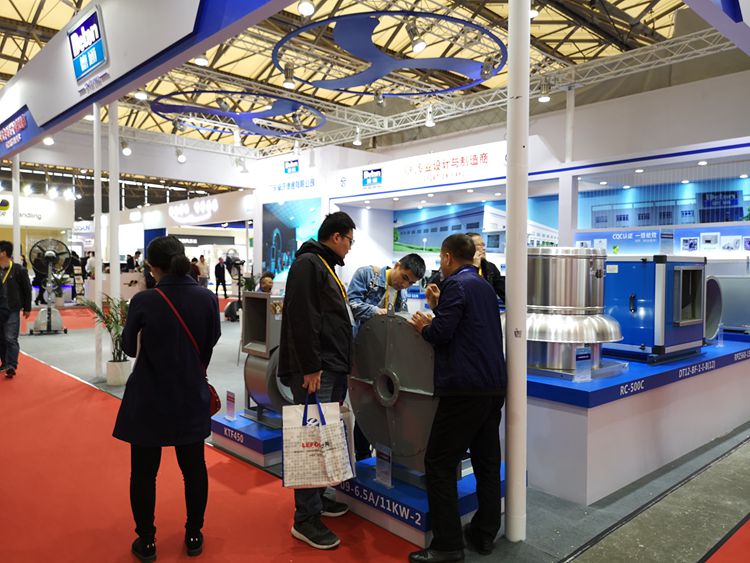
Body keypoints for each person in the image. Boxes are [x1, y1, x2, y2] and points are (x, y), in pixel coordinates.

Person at [113, 235, 221, 561]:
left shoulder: (144, 300)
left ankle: (146, 541)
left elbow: (129, 348)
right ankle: (194, 535)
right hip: (190, 394)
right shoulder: (207, 298)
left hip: (149, 397)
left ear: (152, 267)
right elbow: (211, 340)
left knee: (144, 473)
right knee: (194, 469)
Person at [409, 234, 507, 563]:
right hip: (493, 386)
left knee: (438, 463)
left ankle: (447, 546)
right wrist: (440, 309)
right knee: (486, 461)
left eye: (441, 258)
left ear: (448, 257)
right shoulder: (484, 286)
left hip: (465, 389)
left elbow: (442, 333)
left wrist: (425, 326)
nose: (440, 264)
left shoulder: (455, 285)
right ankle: (484, 533)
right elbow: (468, 327)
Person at [277, 211, 357, 551]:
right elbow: (302, 316)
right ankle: (305, 519)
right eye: (349, 240)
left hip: (331, 366)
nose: (350, 247)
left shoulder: (324, 265)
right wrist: (310, 366)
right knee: (310, 439)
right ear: (336, 237)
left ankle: (318, 498)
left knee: (323, 437)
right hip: (317, 369)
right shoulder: (309, 264)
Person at [346, 253, 426, 460]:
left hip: (384, 357)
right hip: (361, 351)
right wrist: (376, 311)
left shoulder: (402, 294)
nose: (405, 285)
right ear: (397, 265)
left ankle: (379, 455)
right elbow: (351, 305)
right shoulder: (367, 275)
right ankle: (361, 455)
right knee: (363, 404)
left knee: (378, 406)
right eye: (405, 277)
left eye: (411, 283)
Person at [0, 241, 32, 378]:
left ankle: (11, 366)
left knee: (10, 338)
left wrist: (27, 308)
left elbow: (27, 289)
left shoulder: (19, 270)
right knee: (1, 338)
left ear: (3, 253)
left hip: (12, 308)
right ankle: (4, 362)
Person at [466, 232, 505, 304]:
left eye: (483, 245)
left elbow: (503, 292)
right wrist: (474, 267)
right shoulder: (461, 268)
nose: (483, 248)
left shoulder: (490, 267)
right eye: (478, 245)